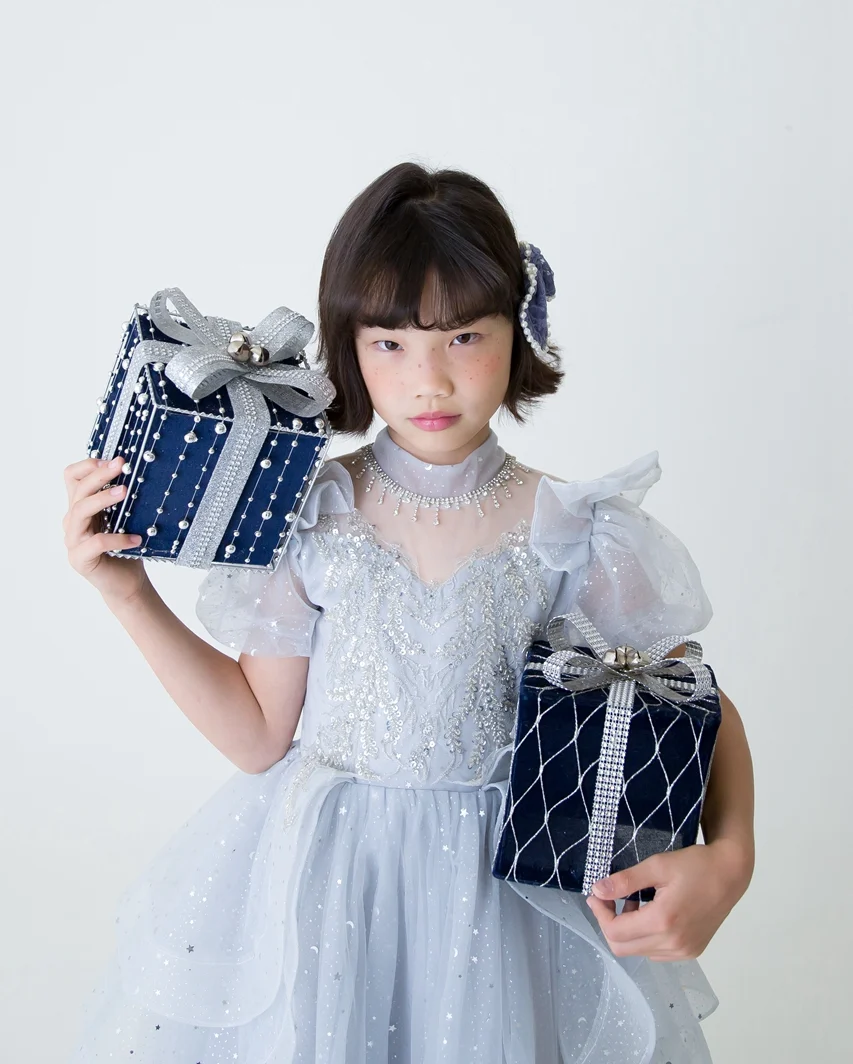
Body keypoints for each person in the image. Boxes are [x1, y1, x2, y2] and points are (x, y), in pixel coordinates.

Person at [62, 162, 754, 1063]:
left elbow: (692, 702)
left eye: (463, 336)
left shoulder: (574, 527)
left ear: (518, 330)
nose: (428, 378)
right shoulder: (311, 514)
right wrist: (126, 591)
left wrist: (728, 855)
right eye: (388, 342)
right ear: (347, 346)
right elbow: (258, 735)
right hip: (331, 887)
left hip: (503, 902)